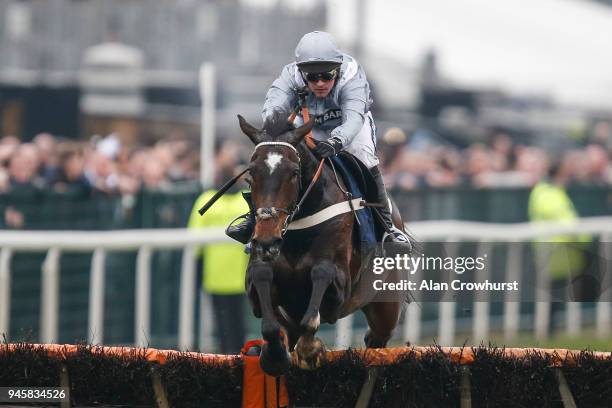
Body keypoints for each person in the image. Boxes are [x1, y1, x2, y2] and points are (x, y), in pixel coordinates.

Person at [226, 31, 410, 244]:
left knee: (364, 156)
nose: (320, 82)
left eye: (327, 75)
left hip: (349, 126)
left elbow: (353, 118)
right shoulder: (290, 76)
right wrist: (273, 133)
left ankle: (387, 227)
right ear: (302, 73)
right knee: (275, 158)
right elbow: (274, 108)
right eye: (312, 77)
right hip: (309, 123)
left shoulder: (351, 75)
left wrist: (337, 141)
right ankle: (253, 220)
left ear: (337, 69)